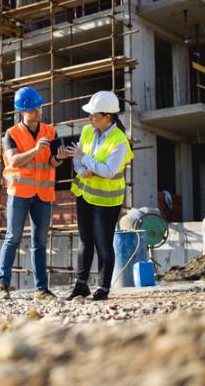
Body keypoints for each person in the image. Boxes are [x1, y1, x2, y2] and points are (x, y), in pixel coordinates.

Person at [0, 86, 69, 300]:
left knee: (40, 242)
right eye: (35, 108)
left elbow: (52, 162)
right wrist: (36, 149)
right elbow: (14, 160)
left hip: (43, 195)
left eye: (40, 107)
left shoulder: (51, 131)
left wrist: (60, 158)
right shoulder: (12, 133)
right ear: (23, 112)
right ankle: (2, 285)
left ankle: (42, 290)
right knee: (13, 237)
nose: (40, 111)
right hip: (20, 192)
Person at [65, 91, 134, 301]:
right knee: (85, 241)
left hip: (107, 199)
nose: (90, 117)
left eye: (94, 114)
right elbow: (76, 156)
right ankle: (81, 285)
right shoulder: (88, 131)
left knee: (104, 243)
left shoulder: (120, 140)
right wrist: (79, 168)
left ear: (108, 116)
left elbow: (109, 170)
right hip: (84, 194)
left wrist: (84, 159)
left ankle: (103, 288)